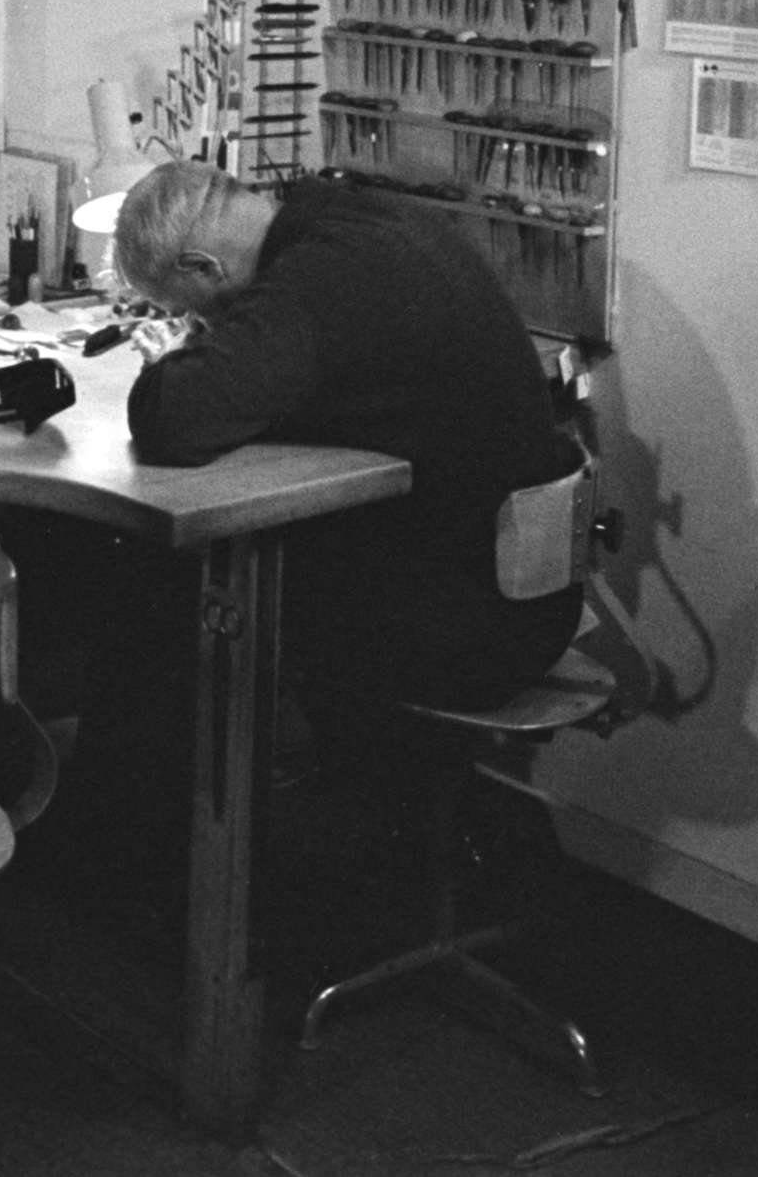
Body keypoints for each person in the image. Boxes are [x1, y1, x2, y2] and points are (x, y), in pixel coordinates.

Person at [32, 160, 582, 880]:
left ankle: (149, 871)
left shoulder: (318, 281)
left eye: (195, 311)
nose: (204, 326)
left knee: (166, 591)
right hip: (513, 584)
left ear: (204, 266)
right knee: (179, 582)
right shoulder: (358, 222)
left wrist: (189, 357)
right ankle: (189, 848)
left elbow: (174, 418)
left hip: (469, 625)